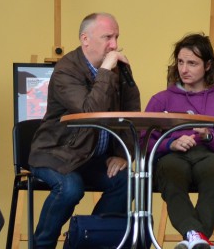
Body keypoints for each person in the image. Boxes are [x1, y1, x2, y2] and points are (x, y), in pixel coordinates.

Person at [28, 13, 140, 249]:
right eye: (107, 37)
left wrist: (122, 154)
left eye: (117, 37)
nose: (114, 45)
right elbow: (90, 112)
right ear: (85, 39)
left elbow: (131, 113)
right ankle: (42, 246)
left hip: (89, 157)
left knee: (127, 181)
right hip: (56, 153)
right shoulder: (66, 71)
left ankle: (85, 241)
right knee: (70, 188)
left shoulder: (117, 70)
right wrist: (106, 71)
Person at [144, 33, 214, 249]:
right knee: (170, 169)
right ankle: (198, 239)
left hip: (211, 157)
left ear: (208, 65)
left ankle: (193, 236)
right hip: (173, 157)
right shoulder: (161, 99)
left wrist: (210, 138)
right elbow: (143, 143)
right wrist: (169, 144)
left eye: (192, 63)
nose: (184, 69)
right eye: (181, 62)